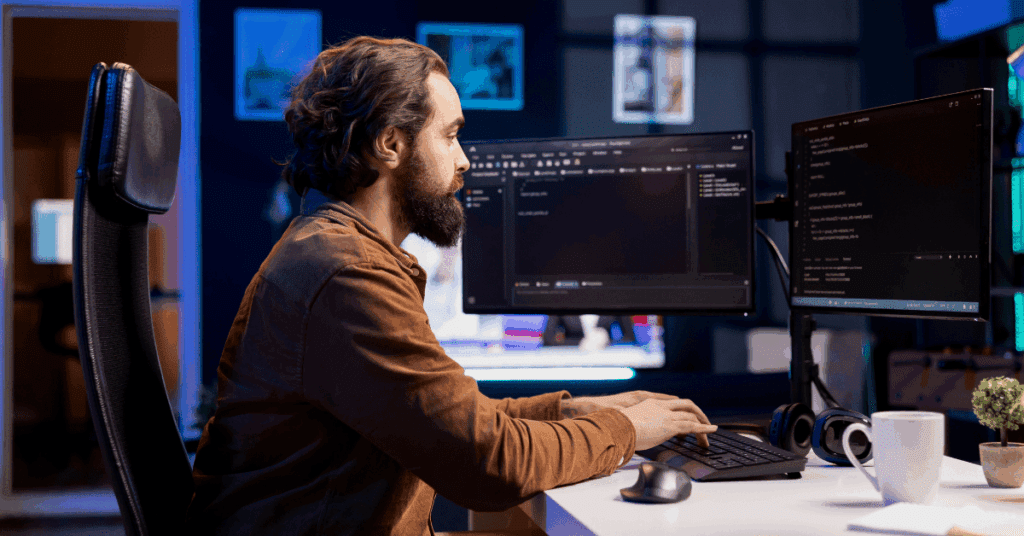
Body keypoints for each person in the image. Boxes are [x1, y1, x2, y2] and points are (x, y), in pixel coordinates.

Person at [186, 36, 717, 535]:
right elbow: (489, 464)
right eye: (450, 135)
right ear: (390, 144)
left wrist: (575, 411)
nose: (464, 161)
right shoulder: (346, 274)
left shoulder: (335, 251)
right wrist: (625, 433)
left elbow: (450, 423)